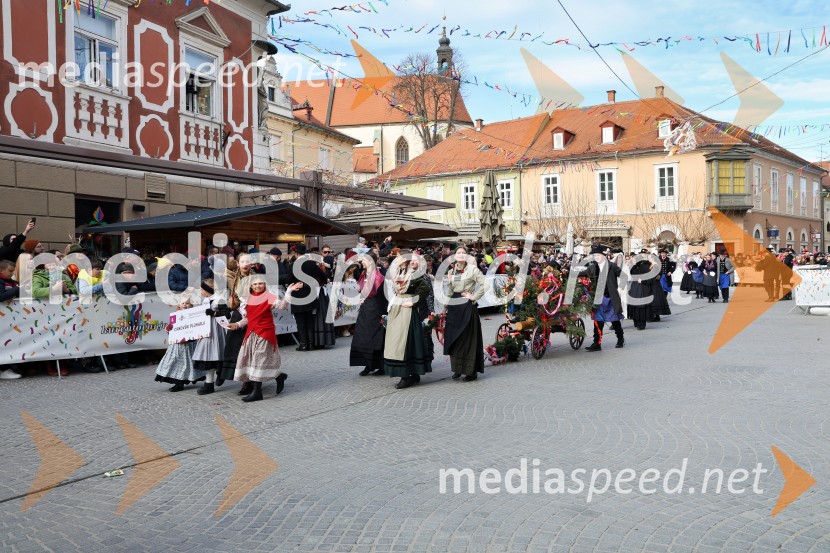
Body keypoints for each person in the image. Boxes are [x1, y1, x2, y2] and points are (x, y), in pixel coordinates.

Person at [227, 277, 302, 402]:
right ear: (251, 286)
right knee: (252, 360)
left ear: (265, 284)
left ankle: (257, 392)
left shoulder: (269, 296)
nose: (258, 286)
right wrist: (237, 324)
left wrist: (288, 292)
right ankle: (278, 376)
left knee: (259, 360)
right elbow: (249, 318)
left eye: (260, 283)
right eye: (255, 284)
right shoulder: (249, 299)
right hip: (251, 333)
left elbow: (282, 306)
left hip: (265, 333)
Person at [383, 257, 432, 389]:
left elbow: (425, 288)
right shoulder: (399, 273)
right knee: (398, 340)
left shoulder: (414, 275)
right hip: (397, 309)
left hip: (407, 310)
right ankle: (412, 373)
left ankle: (407, 375)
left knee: (406, 341)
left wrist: (414, 301)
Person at [443, 246, 487, 380]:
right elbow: (450, 290)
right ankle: (457, 368)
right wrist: (445, 306)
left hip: (467, 306)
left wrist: (474, 297)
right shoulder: (452, 271)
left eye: (463, 253)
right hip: (454, 306)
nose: (461, 255)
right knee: (454, 338)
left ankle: (470, 371)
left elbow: (485, 284)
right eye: (458, 253)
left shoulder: (473, 269)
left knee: (467, 339)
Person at [154, 298, 204, 392]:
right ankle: (178, 382)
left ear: (191, 305)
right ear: (179, 305)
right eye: (183, 303)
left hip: (189, 344)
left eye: (187, 303)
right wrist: (169, 329)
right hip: (177, 345)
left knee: (187, 363)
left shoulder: (194, 316)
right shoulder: (175, 315)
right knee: (176, 361)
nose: (185, 305)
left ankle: (182, 381)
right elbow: (173, 329)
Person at [351, 254, 387, 376]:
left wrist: (384, 313)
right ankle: (368, 364)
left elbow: (382, 296)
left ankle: (381, 366)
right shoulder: (363, 274)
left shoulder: (379, 276)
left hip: (376, 308)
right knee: (363, 335)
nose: (362, 262)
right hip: (365, 308)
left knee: (377, 337)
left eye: (365, 260)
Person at [584, 245, 625, 351]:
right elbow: (583, 274)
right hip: (598, 298)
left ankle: (620, 339)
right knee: (598, 321)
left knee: (615, 320)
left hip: (610, 297)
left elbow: (624, 276)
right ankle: (596, 343)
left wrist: (620, 288)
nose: (596, 257)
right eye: (594, 255)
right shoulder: (592, 267)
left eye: (598, 255)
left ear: (603, 255)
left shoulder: (612, 266)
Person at [289, 245, 327, 351]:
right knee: (310, 321)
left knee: (300, 322)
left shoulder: (293, 265)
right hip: (310, 295)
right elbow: (323, 277)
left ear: (296, 253)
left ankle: (303, 344)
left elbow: (288, 279)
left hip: (297, 296)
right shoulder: (312, 264)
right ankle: (311, 344)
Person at [194, 279, 227, 395]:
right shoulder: (205, 300)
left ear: (208, 290)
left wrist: (213, 313)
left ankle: (220, 372)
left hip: (216, 331)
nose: (200, 291)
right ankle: (209, 384)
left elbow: (226, 314)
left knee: (216, 355)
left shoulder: (219, 300)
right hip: (205, 331)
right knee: (207, 356)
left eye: (202, 289)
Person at [0, 259, 22, 380]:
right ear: (1, 270)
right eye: (10, 271)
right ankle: (4, 369)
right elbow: (1, 296)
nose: (12, 273)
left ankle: (9, 367)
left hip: (11, 318)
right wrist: (17, 289)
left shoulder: (12, 282)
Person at [627, 252, 653, 330]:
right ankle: (636, 321)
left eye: (635, 260)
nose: (633, 261)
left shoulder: (644, 267)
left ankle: (641, 323)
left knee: (641, 306)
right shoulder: (633, 267)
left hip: (642, 288)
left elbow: (650, 278)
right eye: (633, 260)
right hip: (634, 288)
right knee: (634, 305)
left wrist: (643, 280)